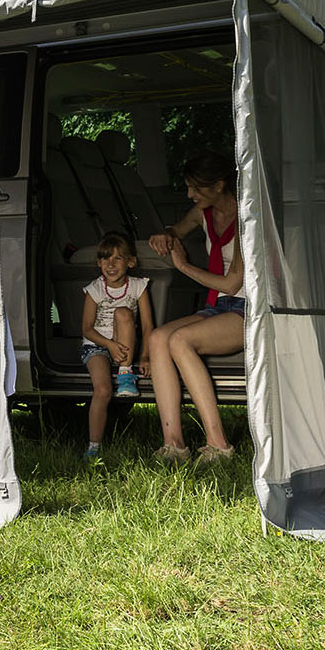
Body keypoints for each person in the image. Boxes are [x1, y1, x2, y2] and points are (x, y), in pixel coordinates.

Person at [143, 150, 243, 466]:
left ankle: (219, 446)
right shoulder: (204, 213)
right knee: (158, 338)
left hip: (247, 309)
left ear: (219, 185)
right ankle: (174, 445)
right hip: (220, 307)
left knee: (180, 340)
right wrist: (166, 235)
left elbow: (231, 284)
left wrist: (184, 266)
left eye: (196, 188)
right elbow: (178, 228)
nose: (190, 195)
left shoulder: (246, 218)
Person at [78, 232, 155, 463]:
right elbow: (87, 329)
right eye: (105, 259)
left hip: (125, 346)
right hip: (97, 346)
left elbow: (149, 325)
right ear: (99, 263)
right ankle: (93, 447)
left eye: (117, 258)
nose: (110, 264)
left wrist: (145, 357)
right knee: (102, 390)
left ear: (130, 262)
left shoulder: (138, 287)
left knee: (123, 312)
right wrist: (109, 345)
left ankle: (125, 374)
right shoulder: (95, 289)